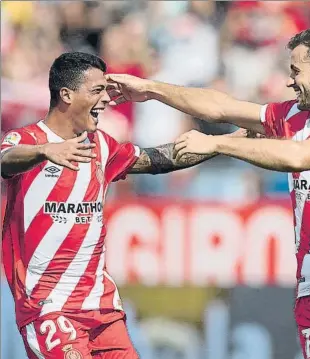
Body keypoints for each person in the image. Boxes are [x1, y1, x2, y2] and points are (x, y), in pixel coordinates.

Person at [105, 26, 310, 359]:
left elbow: (299, 155)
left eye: (296, 71)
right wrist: (151, 89)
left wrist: (220, 143)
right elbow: (221, 108)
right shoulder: (292, 119)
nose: (290, 81)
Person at [0, 52, 228, 359]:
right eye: (97, 91)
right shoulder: (26, 140)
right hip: (49, 308)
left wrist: (229, 142)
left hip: (102, 308)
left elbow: (159, 159)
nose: (106, 99)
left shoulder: (103, 145)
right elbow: (5, 160)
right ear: (66, 94)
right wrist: (44, 151)